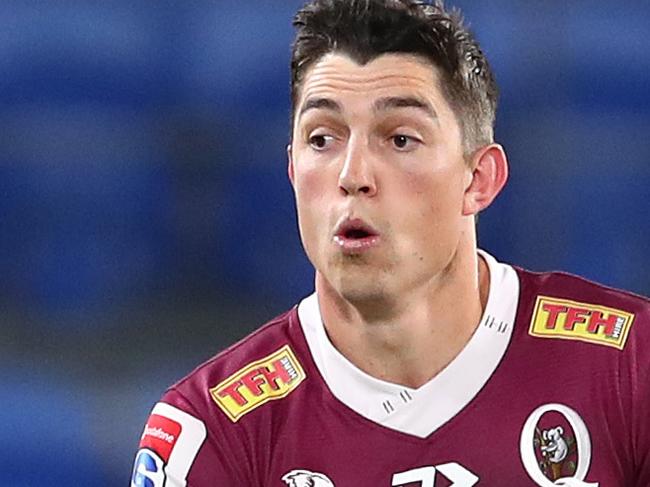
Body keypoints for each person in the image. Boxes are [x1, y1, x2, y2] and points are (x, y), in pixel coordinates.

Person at [130, 1, 649, 485]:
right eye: (322, 139)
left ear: (478, 180)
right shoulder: (212, 434)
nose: (353, 175)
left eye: (400, 138)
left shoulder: (631, 365)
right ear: (291, 170)